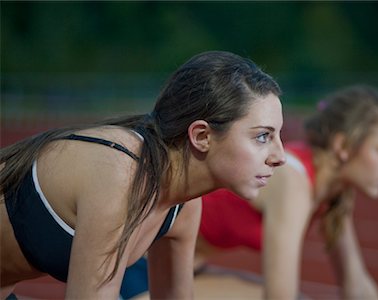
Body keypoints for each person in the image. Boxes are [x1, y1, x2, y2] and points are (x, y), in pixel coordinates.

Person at [0, 50, 286, 299]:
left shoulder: (184, 206)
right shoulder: (122, 176)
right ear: (201, 136)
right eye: (263, 136)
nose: (280, 156)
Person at [196, 85, 378, 299]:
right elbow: (280, 296)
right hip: (165, 266)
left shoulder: (335, 191)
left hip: (192, 269)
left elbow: (356, 284)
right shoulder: (293, 181)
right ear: (342, 145)